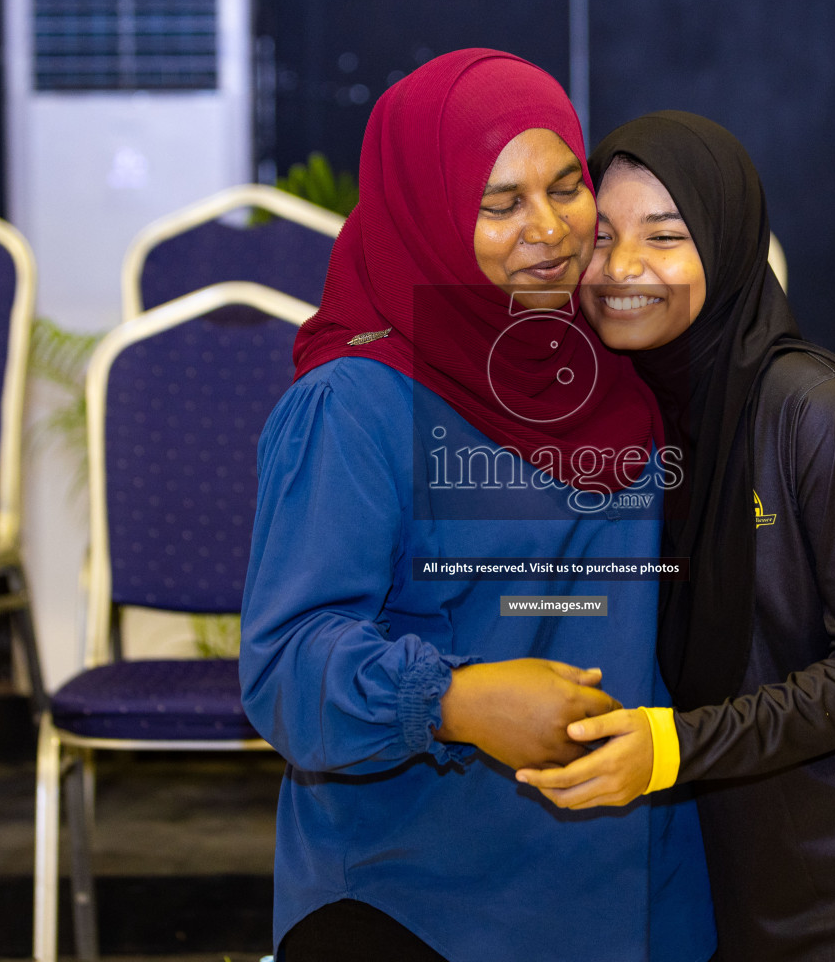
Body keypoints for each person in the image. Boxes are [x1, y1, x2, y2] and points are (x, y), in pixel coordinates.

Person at [238, 53, 714, 962]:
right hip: (422, 893)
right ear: (425, 213)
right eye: (498, 205)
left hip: (633, 881)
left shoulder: (618, 360)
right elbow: (285, 668)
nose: (548, 231)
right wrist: (452, 700)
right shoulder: (357, 403)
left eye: (567, 187)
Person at [517, 110, 835, 962]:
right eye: (603, 240)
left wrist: (674, 745)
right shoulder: (635, 414)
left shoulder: (815, 413)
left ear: (730, 250)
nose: (622, 270)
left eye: (665, 238)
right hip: (736, 862)